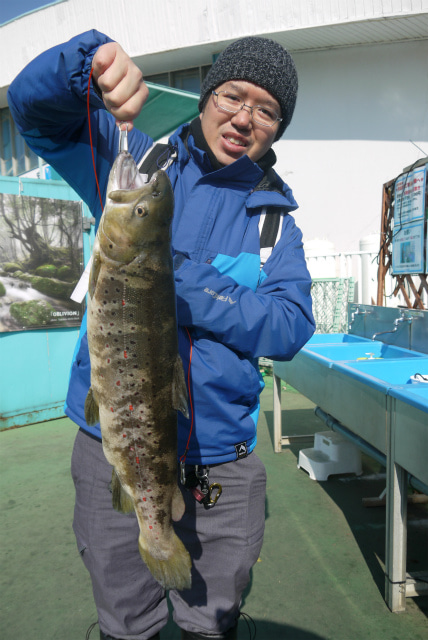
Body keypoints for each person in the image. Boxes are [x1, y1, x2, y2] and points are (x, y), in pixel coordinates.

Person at [8, 30, 315, 640]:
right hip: (110, 446)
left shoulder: (276, 224)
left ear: (278, 128)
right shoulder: (140, 164)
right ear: (206, 97)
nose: (243, 117)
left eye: (266, 109)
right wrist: (86, 61)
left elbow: (290, 323)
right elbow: (34, 113)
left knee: (213, 621)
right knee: (124, 620)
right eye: (232, 95)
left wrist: (180, 280)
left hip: (221, 464)